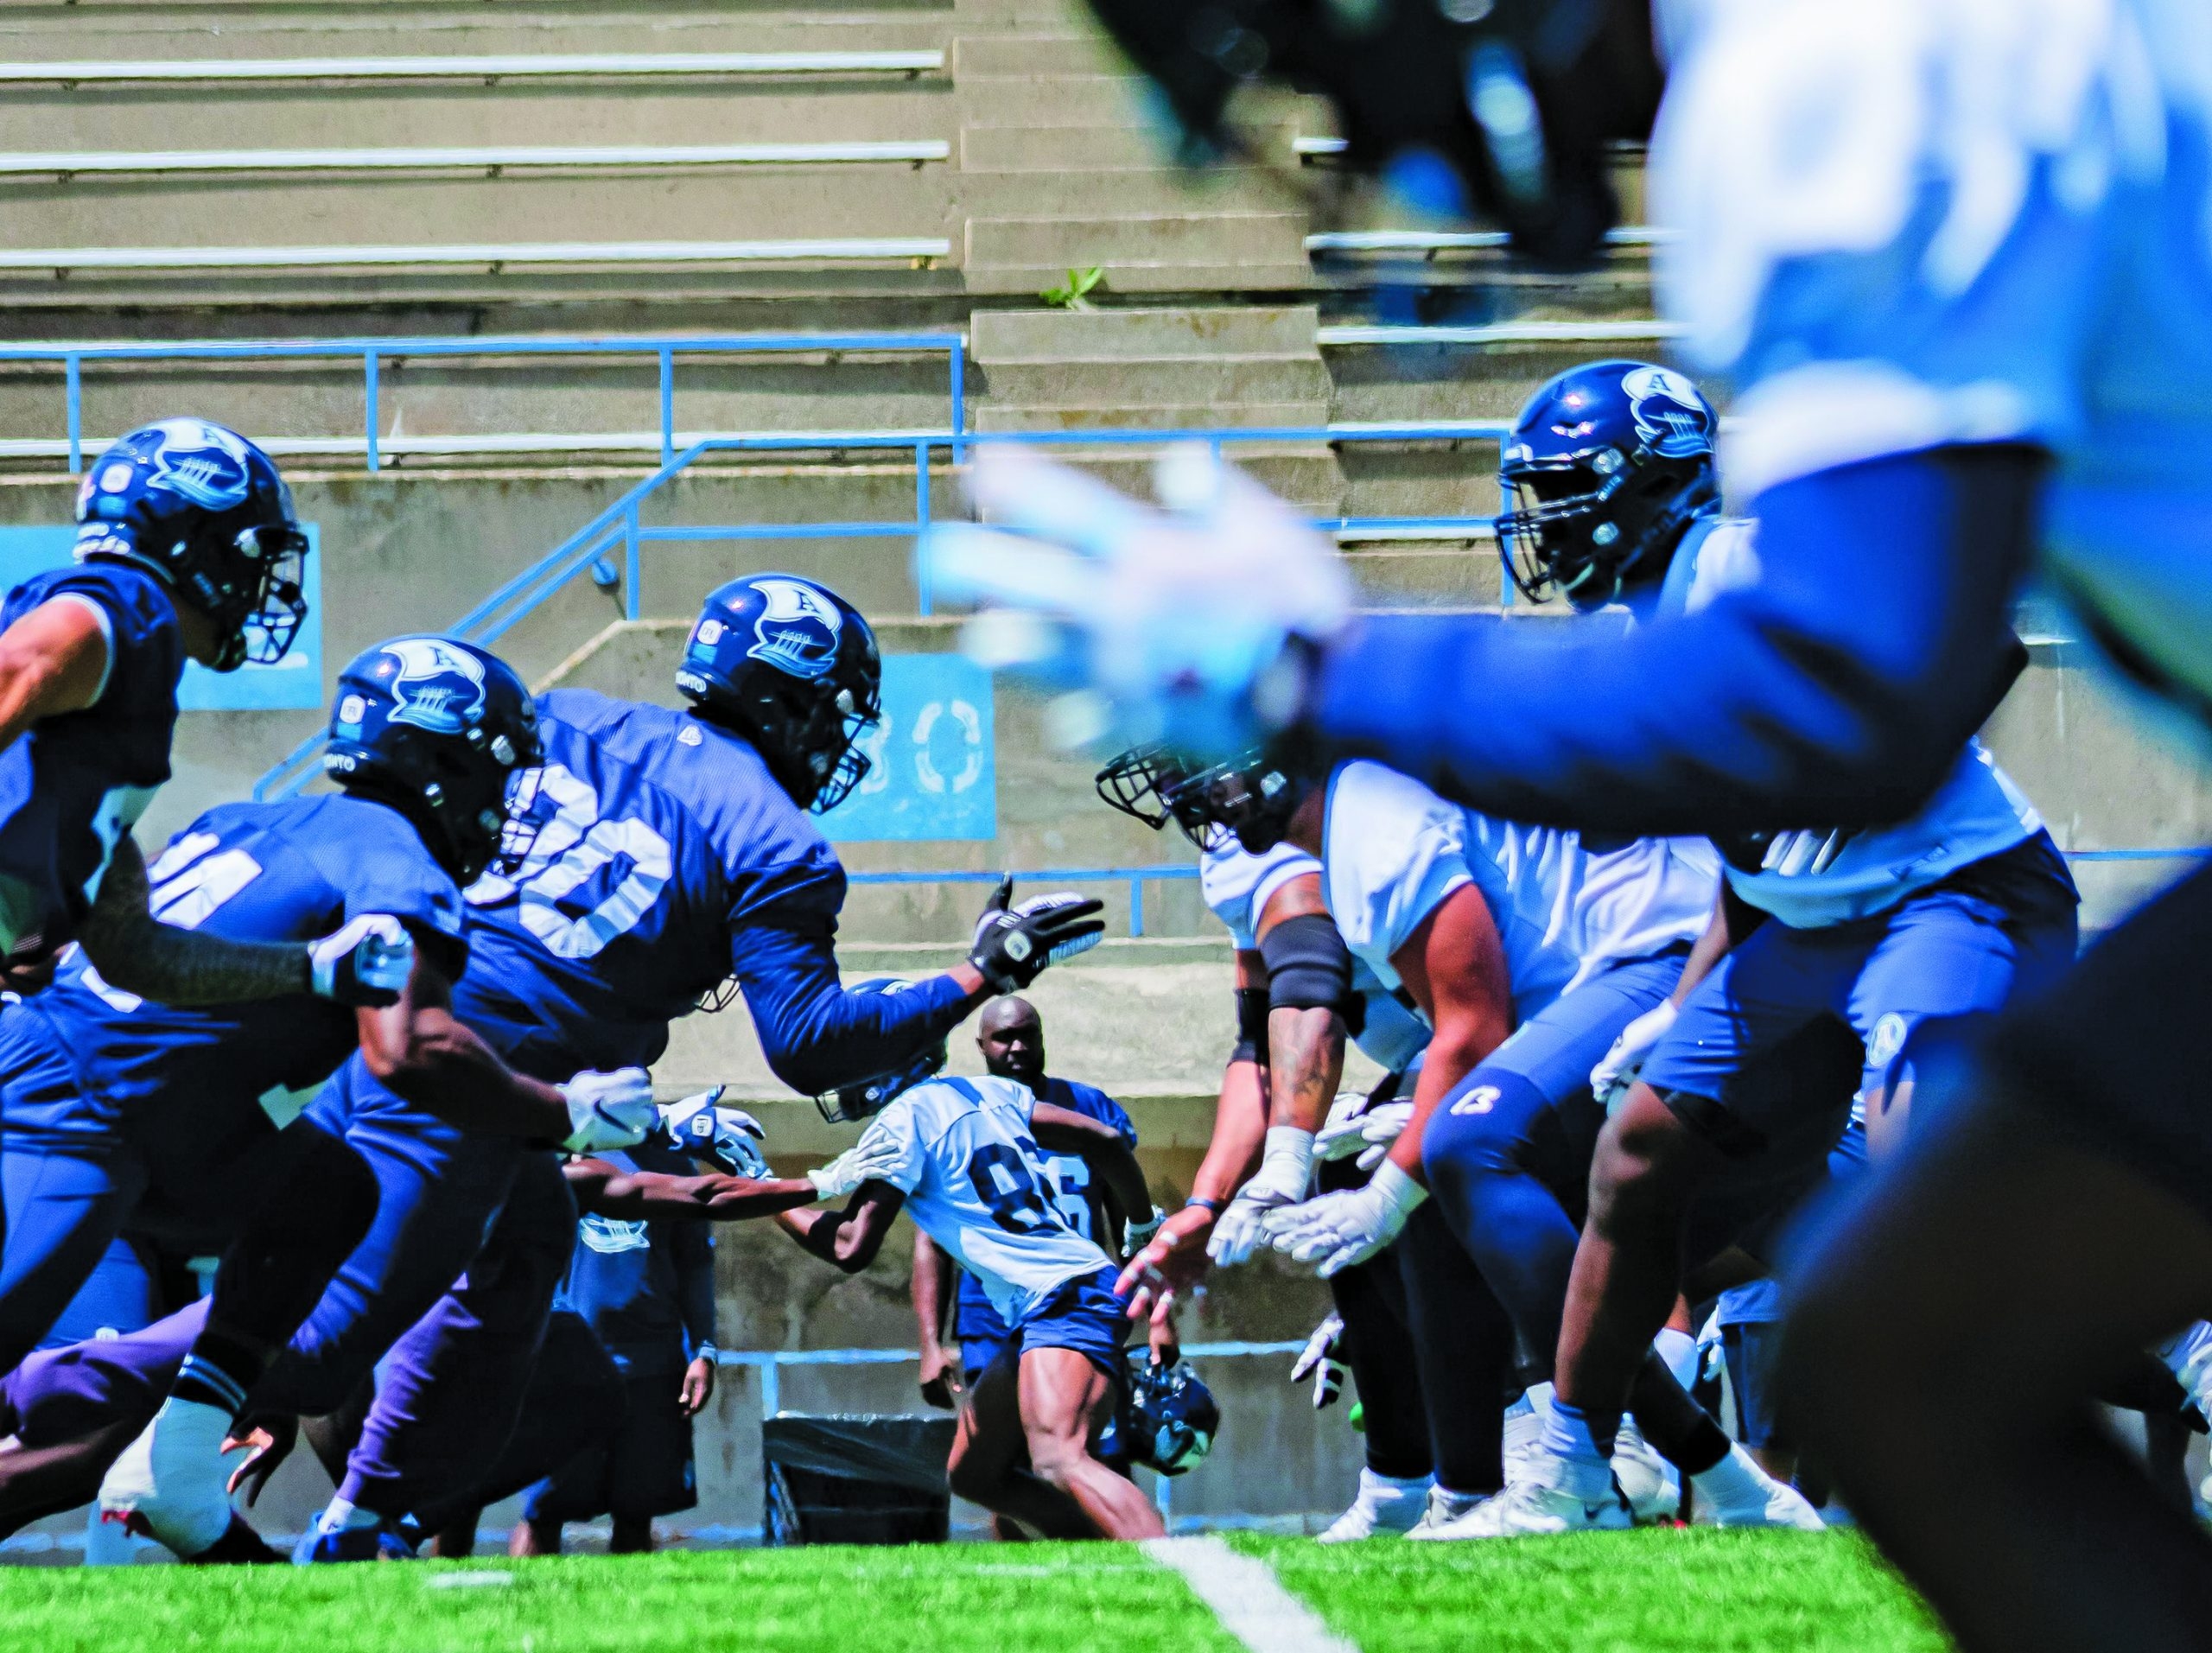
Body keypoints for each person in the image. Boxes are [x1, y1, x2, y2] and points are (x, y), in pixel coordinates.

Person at [257, 573, 1106, 1561]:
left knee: (534, 1299)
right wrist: (976, 972)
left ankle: (361, 1518)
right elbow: (809, 1044)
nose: (837, 743)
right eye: (832, 715)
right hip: (484, 1070)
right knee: (322, 1345)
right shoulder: (781, 843)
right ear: (784, 698)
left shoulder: (572, 715)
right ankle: (134, 1411)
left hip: (400, 1012)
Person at [54, 637, 658, 1561]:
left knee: (325, 1194)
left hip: (157, 1126)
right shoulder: (394, 860)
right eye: (490, 772)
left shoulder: (245, 818)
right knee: (67, 1418)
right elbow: (409, 1049)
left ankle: (183, 1473)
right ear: (443, 760)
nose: (499, 807)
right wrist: (562, 1107)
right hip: (85, 1121)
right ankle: (85, 1401)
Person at [1097, 750, 1437, 1539]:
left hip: (1499, 1038)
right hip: (1427, 1054)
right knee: (1345, 1174)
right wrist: (1209, 1202)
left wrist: (1285, 1158)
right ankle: (1401, 1478)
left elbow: (1312, 992)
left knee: (1412, 1167)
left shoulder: (1320, 833)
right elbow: (1259, 1044)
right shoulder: (1239, 855)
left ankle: (1540, 1447)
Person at [0, 418, 397, 1010]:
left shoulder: (122, 696)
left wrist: (313, 967)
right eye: (256, 553)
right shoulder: (121, 613)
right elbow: (35, 656)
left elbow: (132, 952)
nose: (266, 585)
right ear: (196, 540)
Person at [785, 987, 1164, 1541]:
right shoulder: (983, 1094)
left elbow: (849, 1245)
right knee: (976, 1472)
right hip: (1051, 1297)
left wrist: (769, 1195)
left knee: (1061, 1458)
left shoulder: (906, 1120)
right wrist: (1141, 1233)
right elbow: (1105, 1142)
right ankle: (1098, 1547)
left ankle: (1185, 1570)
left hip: (1065, 1296)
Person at [913, 995, 1155, 1420]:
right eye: (1004, 1038)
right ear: (982, 1046)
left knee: (1087, 1443)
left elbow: (1128, 1223)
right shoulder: (958, 1113)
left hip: (1077, 1302)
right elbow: (931, 1241)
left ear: (1042, 1039)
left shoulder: (1089, 1108)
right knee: (1001, 1460)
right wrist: (929, 1343)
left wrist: (1154, 1316)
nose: (1018, 1048)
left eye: (1027, 1035)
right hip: (991, 1316)